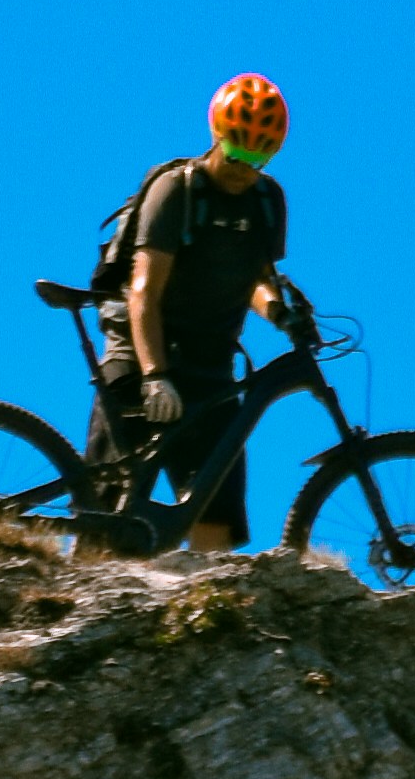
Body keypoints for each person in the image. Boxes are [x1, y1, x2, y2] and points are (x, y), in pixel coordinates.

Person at [101, 73, 302, 546]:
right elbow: (143, 293)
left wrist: (277, 311)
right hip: (140, 350)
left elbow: (256, 278)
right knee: (111, 518)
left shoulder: (267, 202)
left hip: (209, 363)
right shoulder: (176, 191)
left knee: (217, 515)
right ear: (217, 136)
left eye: (258, 157)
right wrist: (153, 375)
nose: (243, 168)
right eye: (236, 152)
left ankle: (210, 610)